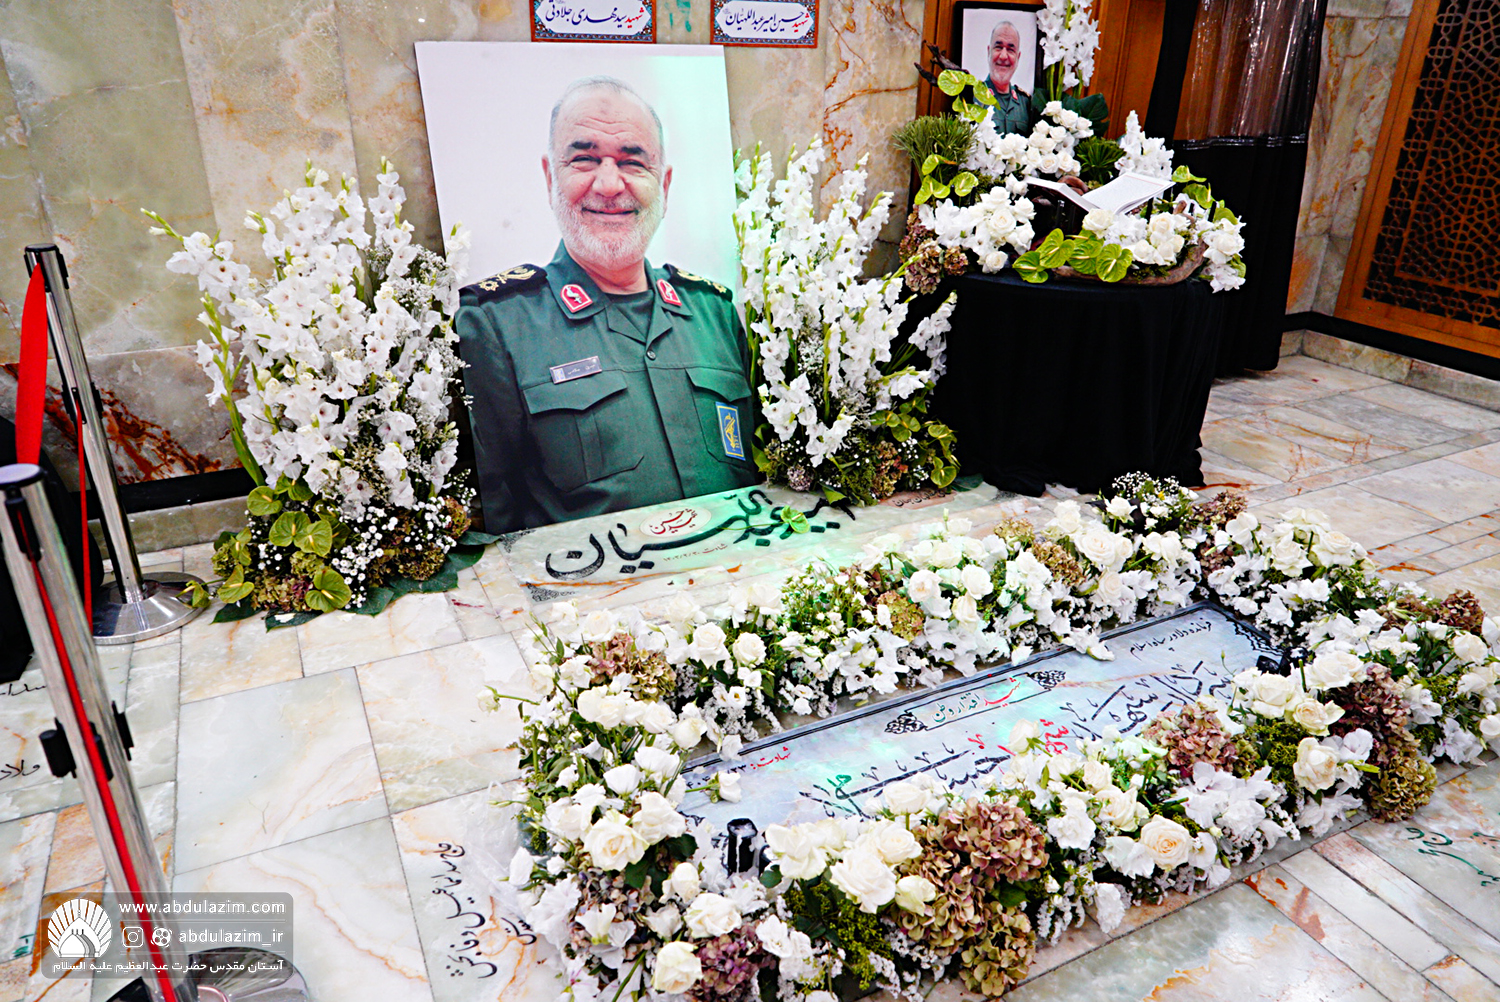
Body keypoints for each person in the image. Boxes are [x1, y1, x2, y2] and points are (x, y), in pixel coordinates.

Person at [456, 76, 759, 534]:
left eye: (633, 162)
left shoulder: (714, 313)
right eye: (584, 159)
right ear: (550, 178)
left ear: (664, 184)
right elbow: (493, 525)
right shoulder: (496, 326)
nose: (610, 184)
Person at [984, 20, 1032, 135]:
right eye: (998, 47)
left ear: (1018, 57)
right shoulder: (973, 98)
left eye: (1010, 50)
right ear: (989, 52)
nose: (1003, 56)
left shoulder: (1026, 103)